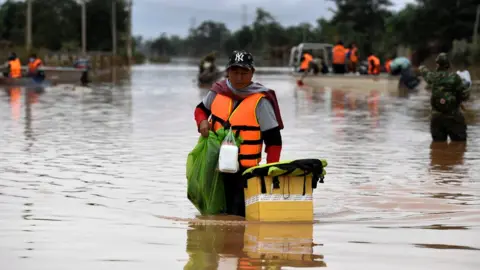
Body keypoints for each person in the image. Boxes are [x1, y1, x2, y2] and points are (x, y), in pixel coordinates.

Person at [193, 50, 284, 217]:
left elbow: (274, 141)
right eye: (235, 72)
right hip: (215, 166)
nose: (239, 77)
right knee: (212, 213)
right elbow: (200, 110)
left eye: (244, 73)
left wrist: (270, 173)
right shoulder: (218, 91)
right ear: (227, 71)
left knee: (237, 215)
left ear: (252, 73)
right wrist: (202, 122)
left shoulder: (261, 101)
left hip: (244, 172)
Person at [419, 52, 471, 142]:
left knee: (437, 149)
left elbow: (424, 72)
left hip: (437, 118)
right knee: (459, 147)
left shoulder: (433, 77)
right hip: (454, 117)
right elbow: (464, 94)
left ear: (437, 64)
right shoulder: (455, 77)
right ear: (448, 65)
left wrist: (422, 67)